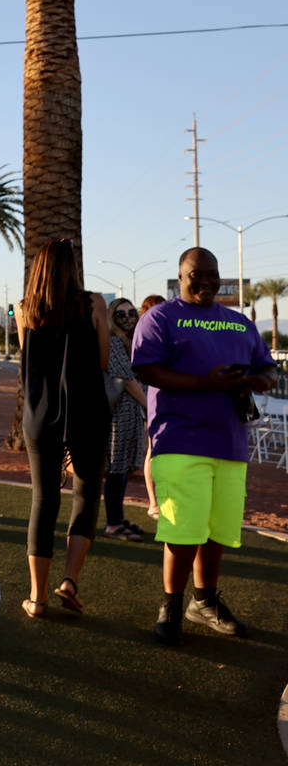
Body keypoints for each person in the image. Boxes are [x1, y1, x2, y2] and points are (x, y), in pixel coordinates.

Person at [131, 247, 277, 646]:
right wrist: (206, 383)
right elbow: (146, 368)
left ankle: (205, 601)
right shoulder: (160, 317)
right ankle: (171, 606)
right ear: (181, 276)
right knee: (182, 529)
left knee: (217, 531)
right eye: (197, 274)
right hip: (178, 438)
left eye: (212, 274)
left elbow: (267, 365)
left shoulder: (237, 322)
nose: (206, 281)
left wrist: (259, 379)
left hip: (230, 440)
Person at [16, 239, 110, 617]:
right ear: (73, 268)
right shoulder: (94, 304)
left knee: (44, 500)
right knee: (86, 496)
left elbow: (28, 362)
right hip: (88, 411)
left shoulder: (25, 310)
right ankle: (69, 580)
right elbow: (103, 361)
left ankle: (36, 598)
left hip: (40, 415)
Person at [101, 297, 148, 540]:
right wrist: (150, 407)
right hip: (119, 414)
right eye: (121, 314)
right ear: (111, 317)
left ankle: (117, 518)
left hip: (130, 412)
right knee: (116, 468)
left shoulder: (131, 342)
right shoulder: (114, 343)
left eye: (132, 312)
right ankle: (112, 523)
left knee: (123, 468)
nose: (128, 317)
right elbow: (128, 381)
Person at [138, 294, 167, 518]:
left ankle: (158, 501)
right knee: (152, 450)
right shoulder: (146, 333)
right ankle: (154, 502)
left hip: (160, 398)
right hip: (152, 399)